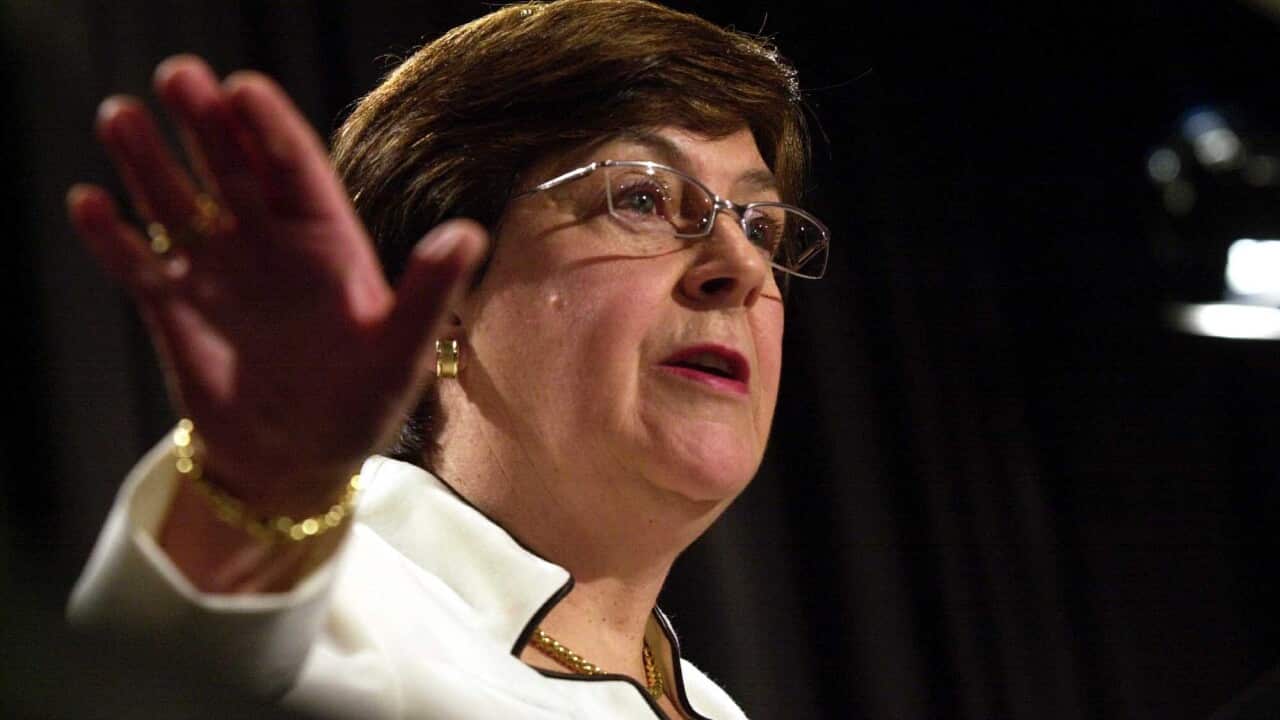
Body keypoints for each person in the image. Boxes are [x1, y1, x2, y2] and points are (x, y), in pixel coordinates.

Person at [65, 1, 829, 717]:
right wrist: (260, 488)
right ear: (442, 294)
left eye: (761, 229)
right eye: (641, 198)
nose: (741, 266)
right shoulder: (334, 612)